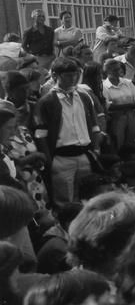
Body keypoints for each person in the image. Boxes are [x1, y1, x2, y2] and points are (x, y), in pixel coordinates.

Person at [34, 58, 103, 207]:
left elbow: (94, 125)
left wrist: (96, 148)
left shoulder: (84, 97)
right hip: (62, 158)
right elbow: (41, 134)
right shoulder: (47, 102)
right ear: (55, 76)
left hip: (84, 154)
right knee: (65, 201)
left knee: (87, 197)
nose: (73, 79)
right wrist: (49, 160)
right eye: (67, 75)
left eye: (75, 74)